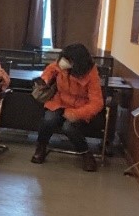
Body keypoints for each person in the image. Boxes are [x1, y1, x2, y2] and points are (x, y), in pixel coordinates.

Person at [31, 43, 104, 172]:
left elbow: (97, 103)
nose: (63, 61)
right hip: (59, 101)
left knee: (68, 127)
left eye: (68, 60)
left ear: (77, 63)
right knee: (48, 120)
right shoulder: (62, 65)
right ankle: (41, 147)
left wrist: (77, 114)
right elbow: (51, 69)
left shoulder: (91, 74)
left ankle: (86, 154)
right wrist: (45, 80)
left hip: (80, 107)